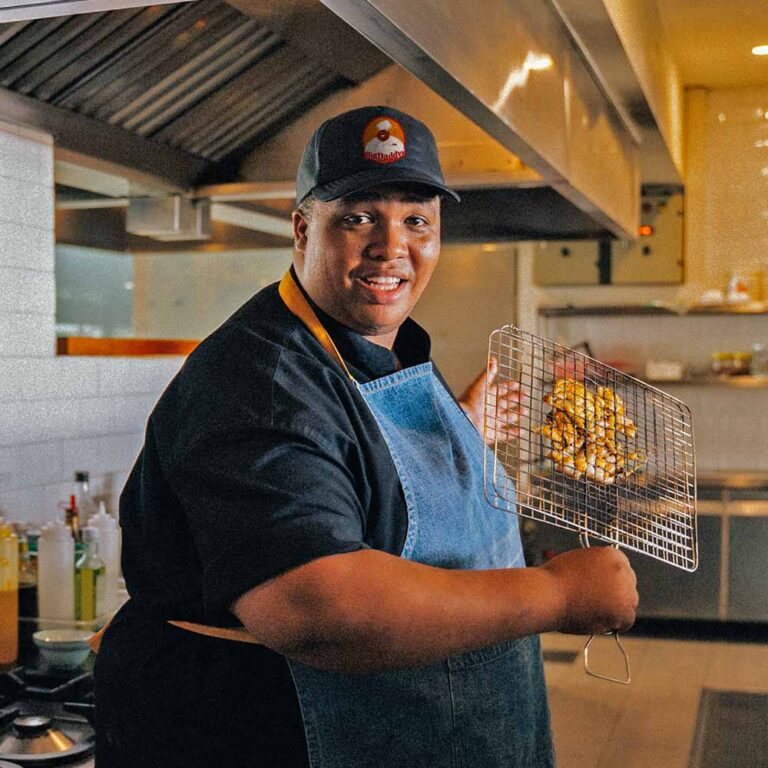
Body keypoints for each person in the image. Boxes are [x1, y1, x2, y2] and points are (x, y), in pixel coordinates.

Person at [94, 106, 638, 768]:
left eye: (417, 221)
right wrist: (557, 593)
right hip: (258, 735)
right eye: (357, 217)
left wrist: (452, 437)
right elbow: (317, 607)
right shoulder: (263, 378)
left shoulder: (377, 344)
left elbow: (349, 473)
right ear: (301, 229)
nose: (391, 247)